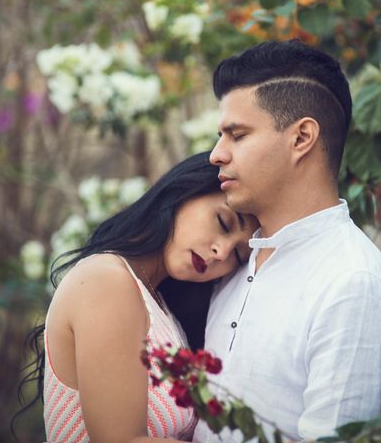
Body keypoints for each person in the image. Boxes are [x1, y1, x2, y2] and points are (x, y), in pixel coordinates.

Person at [193, 40, 381, 442]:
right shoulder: (234, 266)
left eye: (237, 135)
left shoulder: (352, 285)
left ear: (301, 138)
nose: (216, 154)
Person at [18, 151, 258, 442]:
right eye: (223, 222)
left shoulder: (162, 308)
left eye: (237, 254)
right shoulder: (105, 281)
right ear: (185, 191)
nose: (221, 252)